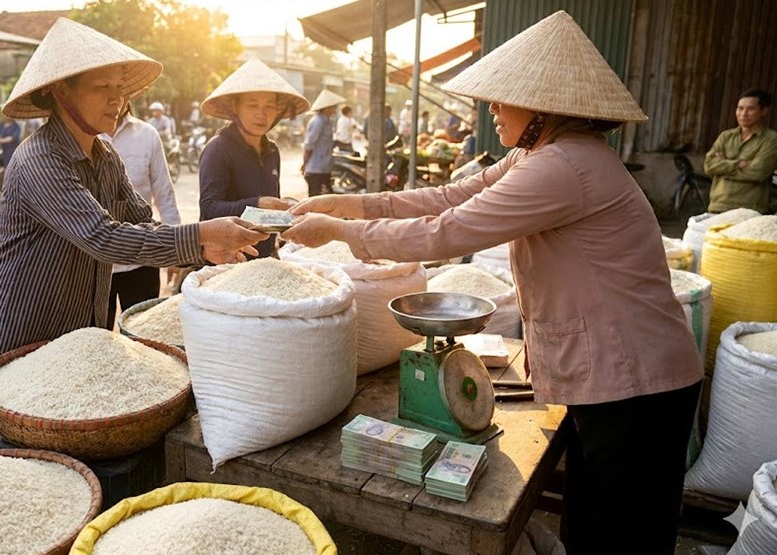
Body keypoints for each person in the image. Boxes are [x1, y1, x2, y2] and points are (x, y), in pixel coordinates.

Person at [283, 11, 702, 554]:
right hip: (626, 376)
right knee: (595, 524)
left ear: (543, 107)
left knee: (617, 537)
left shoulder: (563, 166)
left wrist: (341, 231)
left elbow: (448, 230)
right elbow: (448, 197)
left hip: (636, 381)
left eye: (503, 98)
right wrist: (351, 204)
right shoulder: (538, 154)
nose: (491, 109)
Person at [0, 18, 265, 363]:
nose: (118, 99)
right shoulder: (40, 159)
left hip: (78, 329)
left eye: (120, 87)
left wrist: (204, 249)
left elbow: (143, 220)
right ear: (61, 91)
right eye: (102, 88)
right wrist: (202, 232)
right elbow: (102, 238)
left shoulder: (105, 154)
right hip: (22, 331)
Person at [197, 57, 309, 259]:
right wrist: (257, 203)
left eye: (269, 107)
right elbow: (209, 208)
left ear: (277, 111)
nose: (261, 114)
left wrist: (279, 233)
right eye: (252, 105)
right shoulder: (218, 149)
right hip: (227, 258)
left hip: (265, 257)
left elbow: (273, 209)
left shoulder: (272, 150)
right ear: (235, 109)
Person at [99, 101, 182, 317]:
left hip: (143, 257)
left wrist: (177, 251)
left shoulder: (147, 135)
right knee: (93, 339)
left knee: (143, 339)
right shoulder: (82, 138)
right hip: (93, 265)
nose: (115, 96)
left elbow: (164, 193)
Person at [704, 88, 777, 213]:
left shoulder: (771, 139)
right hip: (718, 206)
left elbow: (759, 172)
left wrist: (723, 164)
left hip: (750, 210)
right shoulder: (726, 136)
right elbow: (709, 165)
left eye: (750, 109)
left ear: (764, 111)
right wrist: (738, 164)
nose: (743, 113)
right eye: (740, 108)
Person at [302, 89, 343, 197]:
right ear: (326, 107)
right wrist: (304, 163)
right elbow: (309, 145)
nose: (334, 110)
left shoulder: (327, 121)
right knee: (315, 200)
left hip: (324, 167)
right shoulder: (318, 121)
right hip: (316, 168)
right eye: (333, 107)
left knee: (325, 198)